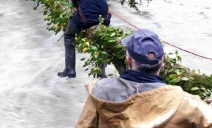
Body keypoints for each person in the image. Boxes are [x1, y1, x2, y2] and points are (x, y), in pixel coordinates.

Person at [76, 29, 212, 128]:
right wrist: (205, 108)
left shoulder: (99, 92)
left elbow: (84, 125)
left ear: (128, 60)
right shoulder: (188, 105)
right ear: (163, 60)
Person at [57, 0, 111, 78]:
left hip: (83, 18)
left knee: (69, 35)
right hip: (103, 18)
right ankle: (101, 73)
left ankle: (70, 70)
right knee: (101, 41)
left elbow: (74, 1)